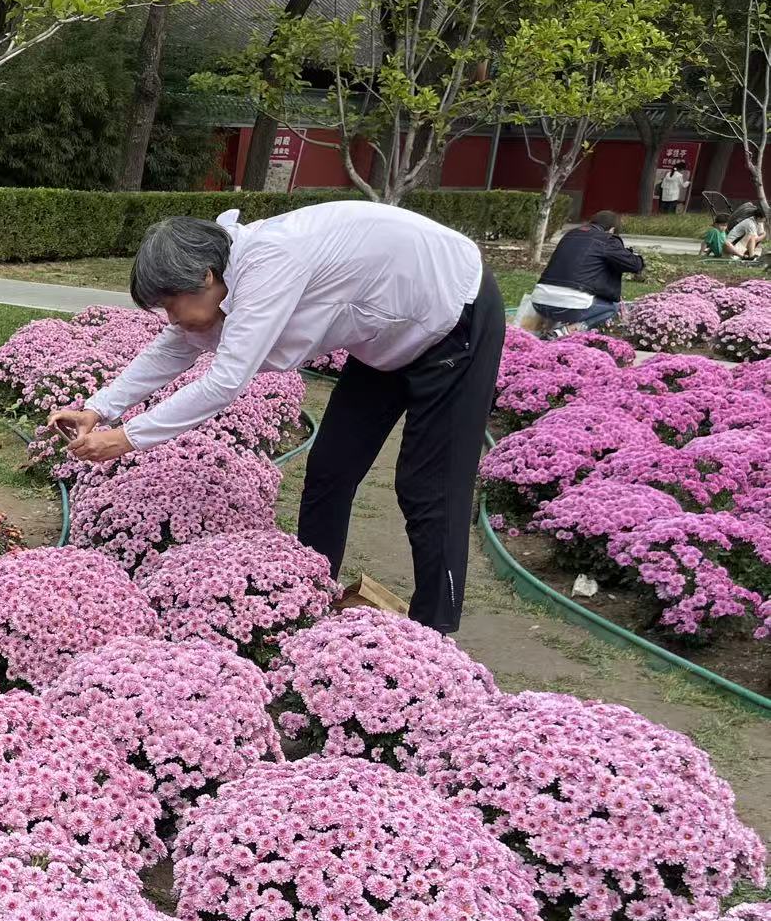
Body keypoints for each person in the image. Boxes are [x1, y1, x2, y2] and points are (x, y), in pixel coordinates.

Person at [47, 202, 502, 634]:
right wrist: (97, 409)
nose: (170, 318)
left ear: (205, 276)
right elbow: (174, 347)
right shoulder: (225, 274)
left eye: (171, 305)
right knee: (330, 469)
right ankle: (308, 595)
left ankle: (432, 633)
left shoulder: (270, 262)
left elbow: (225, 382)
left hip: (454, 317)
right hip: (387, 337)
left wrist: (125, 439)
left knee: (428, 488)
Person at [530, 210, 644, 331]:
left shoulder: (570, 234)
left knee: (569, 301)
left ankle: (548, 330)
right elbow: (634, 265)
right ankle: (567, 331)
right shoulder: (607, 240)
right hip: (570, 306)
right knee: (612, 307)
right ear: (612, 229)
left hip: (539, 302)